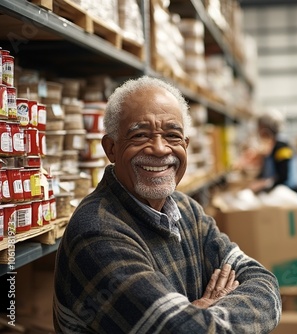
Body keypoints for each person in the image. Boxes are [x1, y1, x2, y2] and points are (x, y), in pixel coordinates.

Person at [53, 76, 282, 333]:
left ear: (185, 145)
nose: (160, 149)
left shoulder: (187, 210)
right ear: (111, 148)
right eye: (140, 135)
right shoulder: (97, 233)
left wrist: (201, 313)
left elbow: (266, 286)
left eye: (172, 136)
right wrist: (198, 315)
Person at [249, 108, 297, 195]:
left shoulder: (282, 147)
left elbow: (283, 176)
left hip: (289, 192)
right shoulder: (271, 145)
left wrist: (264, 183)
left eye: (259, 126)